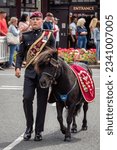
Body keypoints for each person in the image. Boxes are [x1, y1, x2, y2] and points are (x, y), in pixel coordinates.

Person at [15, 11, 55, 141]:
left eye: (38, 19)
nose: (35, 21)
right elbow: (20, 54)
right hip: (30, 74)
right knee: (27, 99)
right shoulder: (25, 36)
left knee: (42, 103)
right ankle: (28, 128)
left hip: (44, 75)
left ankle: (38, 131)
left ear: (42, 21)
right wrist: (17, 67)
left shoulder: (48, 36)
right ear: (30, 22)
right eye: (33, 19)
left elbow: (54, 55)